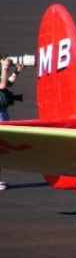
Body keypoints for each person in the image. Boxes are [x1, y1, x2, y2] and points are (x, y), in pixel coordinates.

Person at [0, 57, 25, 191]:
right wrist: (4, 68)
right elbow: (2, 85)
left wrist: (16, 72)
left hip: (2, 112)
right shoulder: (2, 69)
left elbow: (7, 83)